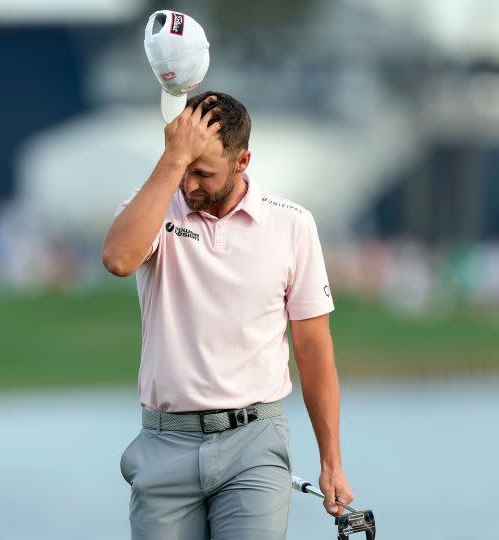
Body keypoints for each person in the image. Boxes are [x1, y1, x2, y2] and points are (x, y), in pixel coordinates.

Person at [102, 91, 353, 540]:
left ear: (242, 162)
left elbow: (314, 349)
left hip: (254, 442)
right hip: (165, 443)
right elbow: (119, 259)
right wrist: (174, 158)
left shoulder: (293, 225)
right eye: (184, 169)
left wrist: (331, 460)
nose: (190, 185)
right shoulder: (156, 206)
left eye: (203, 173)